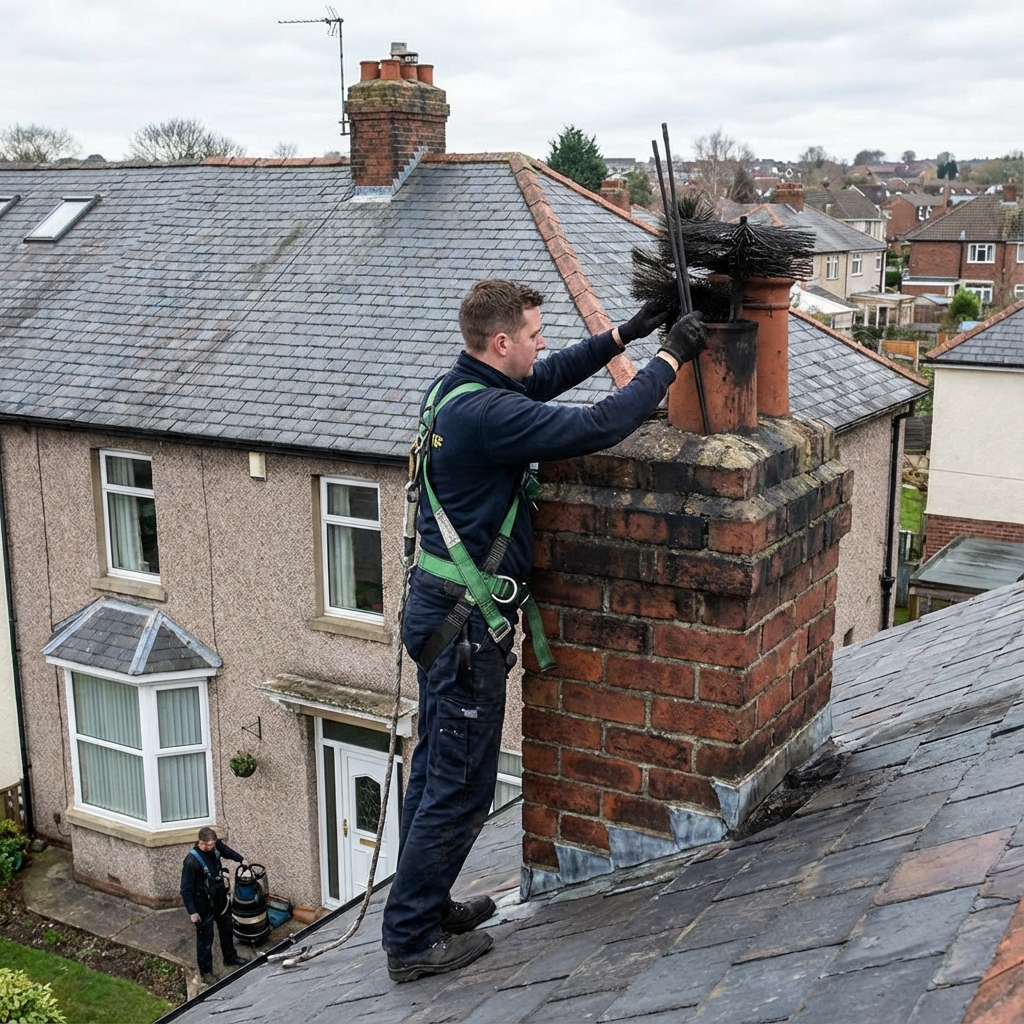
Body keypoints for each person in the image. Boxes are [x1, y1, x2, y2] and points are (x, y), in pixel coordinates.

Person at [382, 279, 705, 982]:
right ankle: (411, 939)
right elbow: (596, 427)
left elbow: (547, 379)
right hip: (467, 627)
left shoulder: (456, 393)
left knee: (434, 771)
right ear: (501, 343)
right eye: (533, 333)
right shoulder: (487, 417)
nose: (541, 343)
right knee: (459, 787)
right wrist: (671, 359)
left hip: (442, 612)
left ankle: (425, 906)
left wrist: (625, 334)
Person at [180, 827, 250, 985]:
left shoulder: (216, 847)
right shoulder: (191, 861)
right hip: (202, 903)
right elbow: (185, 889)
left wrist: (241, 859)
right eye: (205, 844)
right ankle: (206, 972)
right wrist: (192, 912)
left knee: (226, 929)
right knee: (205, 938)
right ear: (199, 842)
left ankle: (230, 957)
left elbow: (226, 851)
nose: (209, 847)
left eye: (211, 844)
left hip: (219, 898)